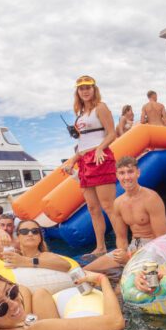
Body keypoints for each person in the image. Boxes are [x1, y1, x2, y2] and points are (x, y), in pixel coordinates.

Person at [62, 75, 127, 257]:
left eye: (88, 87)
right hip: (84, 161)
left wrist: (100, 149)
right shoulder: (80, 115)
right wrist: (73, 160)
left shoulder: (101, 107)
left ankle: (122, 246)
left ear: (94, 89)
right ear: (78, 92)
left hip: (99, 158)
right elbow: (83, 142)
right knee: (92, 208)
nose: (85, 91)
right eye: (81, 88)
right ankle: (101, 248)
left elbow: (111, 134)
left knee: (108, 206)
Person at [86, 157, 166, 272]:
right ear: (117, 176)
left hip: (153, 249)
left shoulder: (151, 198)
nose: (126, 177)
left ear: (138, 173)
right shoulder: (118, 203)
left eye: (130, 172)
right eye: (122, 173)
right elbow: (121, 237)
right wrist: (122, 253)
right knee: (87, 270)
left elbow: (160, 240)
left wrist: (129, 257)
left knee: (123, 286)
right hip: (133, 247)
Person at [0, 220, 72, 271]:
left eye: (35, 231)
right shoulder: (14, 255)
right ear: (18, 237)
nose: (30, 234)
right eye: (24, 231)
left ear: (40, 238)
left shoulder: (44, 256)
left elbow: (66, 265)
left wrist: (26, 261)